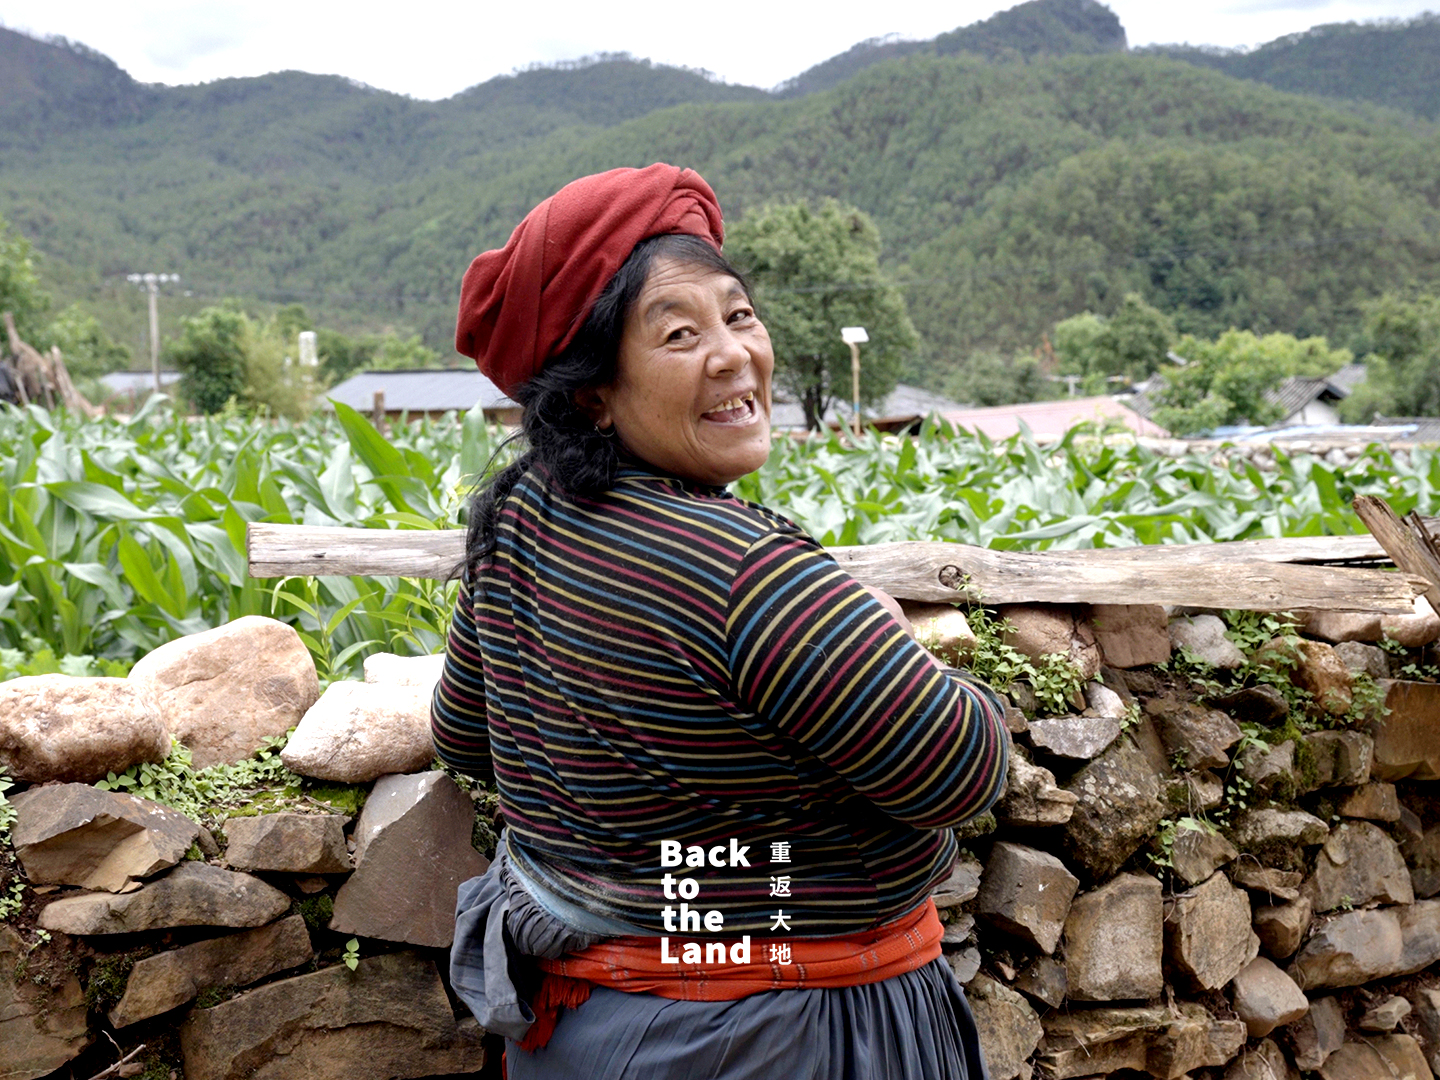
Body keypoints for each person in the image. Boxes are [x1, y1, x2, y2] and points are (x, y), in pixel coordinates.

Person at [431, 163, 1010, 1080]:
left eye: (739, 316)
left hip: (578, 1035)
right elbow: (962, 771)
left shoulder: (518, 517)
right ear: (592, 390)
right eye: (678, 333)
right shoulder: (744, 571)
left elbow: (462, 734)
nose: (735, 354)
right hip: (782, 1033)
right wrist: (892, 640)